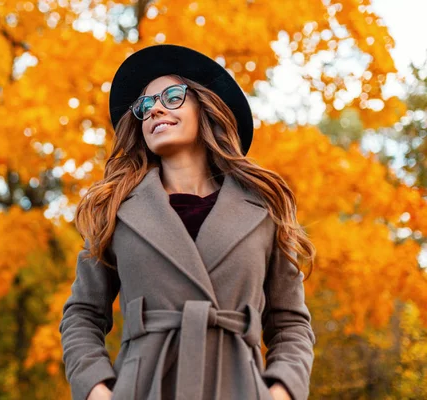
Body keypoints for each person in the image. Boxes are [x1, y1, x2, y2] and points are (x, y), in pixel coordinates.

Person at [59, 44, 316, 400]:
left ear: (205, 107)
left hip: (239, 387)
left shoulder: (263, 208)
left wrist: (281, 391)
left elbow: (290, 324)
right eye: (145, 106)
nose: (155, 109)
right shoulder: (114, 210)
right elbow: (82, 315)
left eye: (172, 96)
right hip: (144, 388)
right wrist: (97, 390)